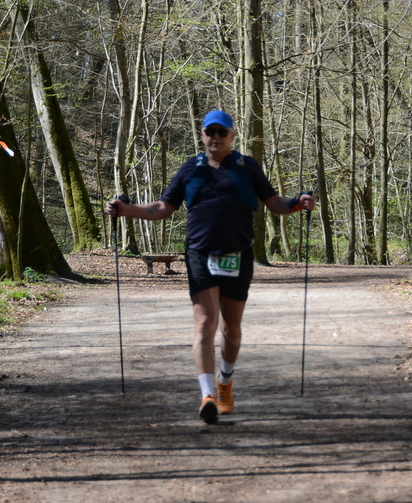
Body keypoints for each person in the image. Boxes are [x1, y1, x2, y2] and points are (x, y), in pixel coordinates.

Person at [106, 110, 316, 425]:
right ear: (202, 135)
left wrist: (298, 202)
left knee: (231, 330)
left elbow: (273, 202)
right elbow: (164, 207)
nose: (215, 137)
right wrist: (128, 209)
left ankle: (225, 383)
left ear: (232, 136)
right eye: (210, 132)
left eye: (222, 132)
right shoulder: (191, 168)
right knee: (205, 324)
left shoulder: (247, 167)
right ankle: (206, 396)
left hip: (238, 255)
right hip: (199, 254)